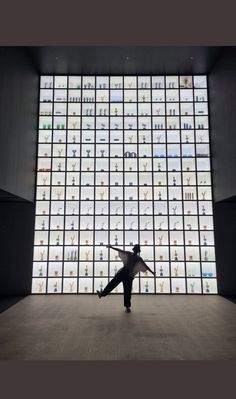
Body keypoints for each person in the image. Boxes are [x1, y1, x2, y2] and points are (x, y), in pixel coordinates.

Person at [96, 244, 155, 313]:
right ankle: (102, 293)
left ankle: (127, 307)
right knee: (113, 282)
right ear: (134, 250)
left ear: (138, 251)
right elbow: (120, 250)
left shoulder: (139, 258)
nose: (136, 250)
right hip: (124, 272)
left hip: (129, 275)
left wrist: (152, 272)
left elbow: (145, 265)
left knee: (127, 291)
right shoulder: (129, 254)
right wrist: (111, 247)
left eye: (137, 249)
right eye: (135, 249)